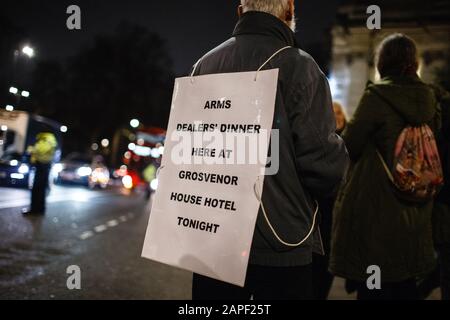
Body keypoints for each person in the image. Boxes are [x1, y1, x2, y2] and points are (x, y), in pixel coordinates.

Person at [190, 0, 349, 300]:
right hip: (281, 244)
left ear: (240, 12)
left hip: (213, 241)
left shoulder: (204, 65)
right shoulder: (301, 67)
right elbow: (324, 169)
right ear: (289, 11)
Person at [329, 34, 441, 300]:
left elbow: (350, 144)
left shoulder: (377, 96)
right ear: (413, 63)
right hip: (417, 205)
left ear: (383, 63)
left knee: (374, 287)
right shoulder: (429, 98)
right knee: (405, 285)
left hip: (378, 207)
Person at [313, 101, 348, 300]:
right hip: (323, 206)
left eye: (339, 112)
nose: (337, 115)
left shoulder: (351, 141)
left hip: (338, 208)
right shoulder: (319, 140)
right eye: (332, 112)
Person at [23, 132, 57, 215]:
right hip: (44, 165)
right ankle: (40, 209)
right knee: (41, 190)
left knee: (36, 189)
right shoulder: (50, 139)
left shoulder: (46, 140)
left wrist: (31, 149)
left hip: (42, 165)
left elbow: (41, 150)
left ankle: (35, 210)